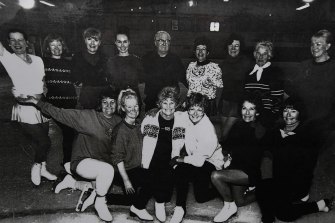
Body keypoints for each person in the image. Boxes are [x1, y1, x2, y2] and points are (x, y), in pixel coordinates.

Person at [20, 87, 121, 222]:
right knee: (107, 173)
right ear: (100, 103)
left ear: (117, 104)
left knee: (105, 182)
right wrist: (36, 102)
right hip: (83, 162)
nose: (108, 106)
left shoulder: (119, 122)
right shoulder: (87, 117)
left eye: (112, 102)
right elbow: (60, 113)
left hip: (101, 164)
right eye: (105, 102)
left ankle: (72, 182)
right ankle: (100, 203)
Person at [256, 97, 332, 223]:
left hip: (297, 183)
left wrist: (288, 140)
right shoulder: (276, 132)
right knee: (261, 187)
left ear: (300, 113)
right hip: (278, 180)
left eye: (293, 111)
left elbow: (306, 167)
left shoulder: (306, 135)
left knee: (284, 214)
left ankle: (319, 205)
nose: (288, 115)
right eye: (286, 110)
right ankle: (267, 219)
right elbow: (259, 147)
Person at [0, 29, 57, 186]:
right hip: (24, 108)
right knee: (44, 141)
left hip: (41, 106)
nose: (17, 43)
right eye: (13, 40)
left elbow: (42, 81)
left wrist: (44, 91)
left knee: (44, 140)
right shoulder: (8, 59)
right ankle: (36, 166)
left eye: (20, 40)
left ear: (27, 42)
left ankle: (43, 168)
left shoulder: (38, 60)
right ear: (9, 43)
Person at [129, 86, 187, 222]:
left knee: (167, 176)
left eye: (172, 102)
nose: (168, 106)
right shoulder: (150, 117)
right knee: (154, 177)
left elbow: (198, 113)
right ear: (159, 104)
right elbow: (140, 134)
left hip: (171, 158)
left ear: (177, 104)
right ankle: (156, 204)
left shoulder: (183, 118)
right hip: (151, 158)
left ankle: (144, 205)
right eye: (164, 102)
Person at [169, 93, 224, 223]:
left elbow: (199, 162)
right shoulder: (185, 116)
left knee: (199, 196)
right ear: (188, 109)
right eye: (192, 109)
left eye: (200, 109)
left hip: (210, 162)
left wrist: (179, 159)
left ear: (204, 111)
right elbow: (172, 113)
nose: (195, 113)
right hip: (195, 159)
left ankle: (221, 189)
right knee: (198, 193)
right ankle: (180, 208)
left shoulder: (208, 129)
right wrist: (154, 112)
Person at [211, 94, 267, 222]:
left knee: (216, 176)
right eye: (244, 108)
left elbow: (262, 156)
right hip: (237, 167)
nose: (247, 113)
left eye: (251, 109)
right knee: (240, 202)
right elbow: (228, 145)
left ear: (257, 113)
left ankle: (229, 206)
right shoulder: (237, 125)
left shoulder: (260, 129)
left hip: (250, 172)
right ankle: (263, 190)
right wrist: (227, 158)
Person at [288, 30, 335, 141]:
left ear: (328, 46)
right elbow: (292, 93)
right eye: (312, 44)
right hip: (303, 123)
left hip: (327, 127)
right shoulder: (303, 66)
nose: (314, 47)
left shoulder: (333, 68)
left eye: (318, 44)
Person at [42, 33, 77, 173]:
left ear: (63, 47)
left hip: (70, 103)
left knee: (70, 133)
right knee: (68, 132)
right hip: (55, 105)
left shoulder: (69, 62)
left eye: (59, 45)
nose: (56, 48)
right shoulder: (43, 62)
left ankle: (68, 162)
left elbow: (77, 80)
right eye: (53, 45)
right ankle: (67, 164)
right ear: (48, 47)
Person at [105, 89, 144, 205]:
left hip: (137, 167)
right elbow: (117, 158)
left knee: (153, 186)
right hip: (124, 170)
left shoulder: (139, 124)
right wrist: (126, 181)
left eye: (136, 106)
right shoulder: (121, 130)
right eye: (129, 107)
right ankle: (101, 196)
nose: (133, 110)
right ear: (123, 108)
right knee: (132, 201)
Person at [142, 30, 187, 111]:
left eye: (167, 41)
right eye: (161, 40)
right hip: (152, 101)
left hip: (170, 101)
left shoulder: (175, 59)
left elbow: (185, 79)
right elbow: (139, 78)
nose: (164, 43)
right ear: (155, 42)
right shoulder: (146, 59)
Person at [219, 33, 253, 140]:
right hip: (225, 101)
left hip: (238, 103)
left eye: (236, 45)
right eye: (231, 45)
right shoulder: (223, 64)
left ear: (240, 47)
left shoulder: (247, 62)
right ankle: (225, 152)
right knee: (224, 130)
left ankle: (221, 148)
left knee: (224, 133)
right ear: (227, 46)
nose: (233, 48)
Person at [244, 40, 284, 127]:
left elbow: (278, 100)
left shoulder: (275, 73)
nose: (261, 56)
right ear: (255, 54)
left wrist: (270, 117)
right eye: (258, 53)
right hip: (249, 116)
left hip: (267, 119)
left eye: (265, 54)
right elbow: (245, 97)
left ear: (269, 56)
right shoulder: (248, 73)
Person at [106, 26, 143, 111]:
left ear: (129, 42)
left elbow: (142, 80)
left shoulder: (137, 60)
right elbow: (109, 82)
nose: (122, 45)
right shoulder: (111, 62)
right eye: (119, 42)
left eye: (125, 42)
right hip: (116, 100)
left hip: (134, 100)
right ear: (115, 43)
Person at [73, 27, 109, 109]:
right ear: (85, 40)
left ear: (99, 43)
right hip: (86, 97)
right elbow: (73, 74)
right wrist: (79, 82)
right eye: (89, 39)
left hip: (102, 96)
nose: (92, 43)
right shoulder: (78, 57)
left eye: (96, 40)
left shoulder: (104, 58)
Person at [186, 36, 223, 116]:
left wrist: (215, 104)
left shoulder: (214, 67)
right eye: (198, 49)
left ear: (208, 52)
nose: (200, 51)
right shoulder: (190, 66)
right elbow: (189, 86)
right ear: (194, 51)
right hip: (192, 104)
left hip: (206, 105)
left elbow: (219, 88)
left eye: (203, 49)